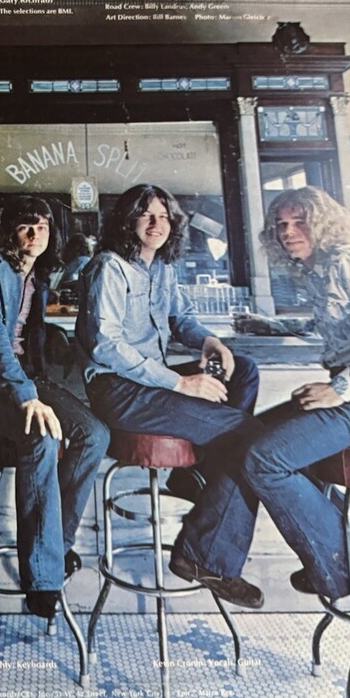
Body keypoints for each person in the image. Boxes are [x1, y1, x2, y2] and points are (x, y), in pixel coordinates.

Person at [186, 186, 350, 601]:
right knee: (254, 435)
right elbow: (339, 327)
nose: (288, 232)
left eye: (299, 222)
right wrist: (273, 326)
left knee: (265, 459)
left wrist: (339, 388)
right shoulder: (319, 271)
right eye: (281, 224)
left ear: (323, 223)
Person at [76, 183, 263, 607]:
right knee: (249, 437)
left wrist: (210, 342)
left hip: (150, 385)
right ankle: (204, 555)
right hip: (119, 390)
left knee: (244, 370)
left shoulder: (160, 266)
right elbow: (105, 345)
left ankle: (197, 474)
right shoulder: (108, 267)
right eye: (145, 215)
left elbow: (182, 318)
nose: (155, 224)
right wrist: (181, 383)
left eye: (163, 216)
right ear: (127, 221)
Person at [0, 195, 110, 619]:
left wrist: (54, 341)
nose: (35, 235)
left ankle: (56, 545)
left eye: (43, 227)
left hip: (27, 379)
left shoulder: (38, 273)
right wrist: (27, 396)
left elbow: (26, 330)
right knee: (43, 440)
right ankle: (42, 579)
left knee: (94, 435)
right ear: (9, 231)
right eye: (26, 226)